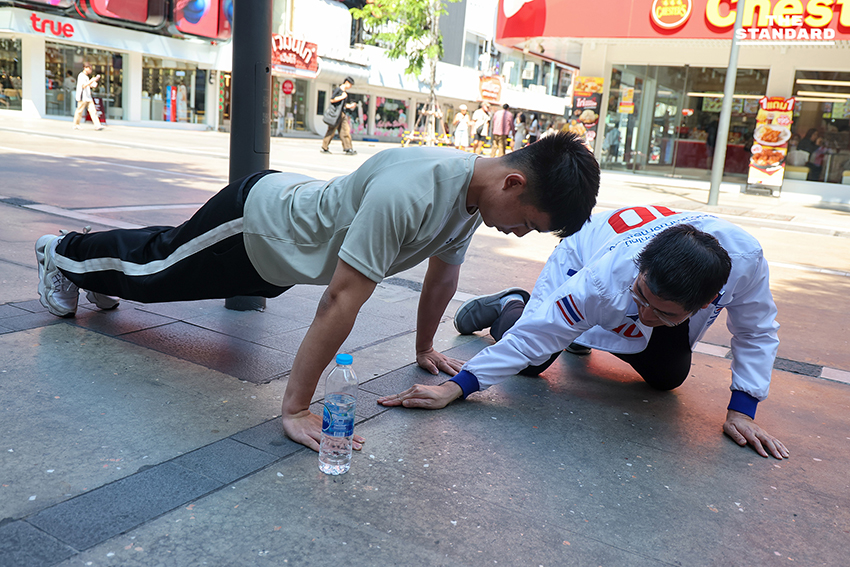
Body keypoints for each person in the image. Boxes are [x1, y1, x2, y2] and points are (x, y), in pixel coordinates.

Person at [35, 132, 600, 452]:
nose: (521, 232)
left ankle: (83, 260)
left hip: (278, 259)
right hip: (257, 226)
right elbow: (340, 298)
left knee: (162, 256)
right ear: (514, 182)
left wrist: (424, 347)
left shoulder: (475, 200)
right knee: (156, 272)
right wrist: (296, 407)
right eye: (529, 221)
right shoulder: (413, 189)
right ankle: (61, 253)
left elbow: (443, 274)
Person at [379, 206, 789, 461]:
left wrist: (743, 408)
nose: (644, 314)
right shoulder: (604, 277)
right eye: (641, 297)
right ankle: (511, 304)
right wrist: (457, 388)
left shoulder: (746, 262)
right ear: (641, 268)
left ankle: (589, 329)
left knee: (668, 378)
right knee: (533, 362)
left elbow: (756, 332)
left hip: (663, 283)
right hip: (587, 252)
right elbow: (533, 338)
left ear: (706, 304)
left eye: (662, 313)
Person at [320, 76, 357, 155]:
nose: (350, 86)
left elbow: (343, 105)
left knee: (345, 130)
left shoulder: (345, 92)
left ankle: (348, 148)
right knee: (331, 130)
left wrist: (350, 106)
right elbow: (332, 99)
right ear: (346, 82)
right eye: (350, 84)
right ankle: (324, 147)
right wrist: (341, 97)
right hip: (336, 114)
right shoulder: (338, 90)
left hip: (342, 114)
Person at [73, 63, 102, 131]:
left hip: (88, 96)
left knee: (93, 111)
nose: (90, 70)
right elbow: (83, 85)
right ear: (85, 68)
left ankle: (97, 125)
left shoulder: (86, 77)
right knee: (79, 111)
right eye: (90, 68)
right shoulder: (81, 76)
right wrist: (92, 80)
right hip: (82, 96)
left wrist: (92, 84)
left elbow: (87, 85)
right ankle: (76, 124)